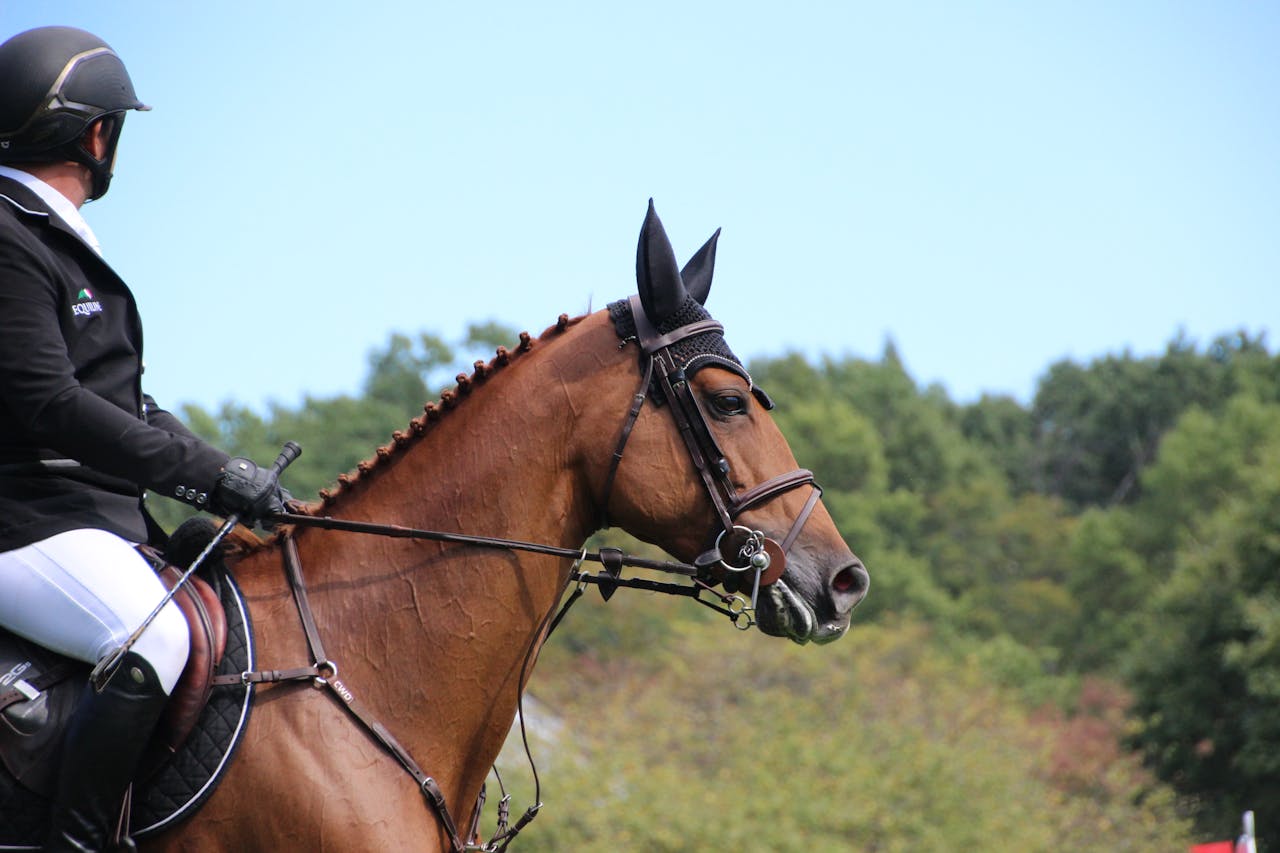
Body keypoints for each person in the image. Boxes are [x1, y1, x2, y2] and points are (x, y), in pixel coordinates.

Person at [0, 26, 289, 852]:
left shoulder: (50, 234)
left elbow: (128, 403)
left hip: (83, 517)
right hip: (24, 519)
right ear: (98, 134)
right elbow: (52, 406)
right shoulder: (8, 235)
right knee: (151, 633)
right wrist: (207, 474)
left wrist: (223, 474)